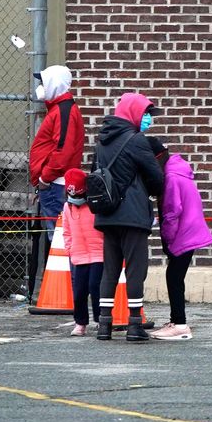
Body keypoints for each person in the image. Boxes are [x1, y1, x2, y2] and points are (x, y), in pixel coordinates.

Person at [91, 92, 164, 342]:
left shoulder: (101, 141)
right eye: (145, 114)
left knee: (109, 270)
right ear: (133, 113)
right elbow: (157, 178)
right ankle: (134, 324)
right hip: (132, 215)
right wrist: (150, 190)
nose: (148, 120)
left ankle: (104, 324)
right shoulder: (136, 140)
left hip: (107, 214)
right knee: (135, 269)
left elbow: (94, 174)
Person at [150, 137, 212, 340]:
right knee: (176, 277)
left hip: (183, 234)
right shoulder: (179, 169)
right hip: (191, 230)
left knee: (174, 278)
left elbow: (171, 213)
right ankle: (176, 320)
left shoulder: (170, 177)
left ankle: (179, 324)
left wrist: (167, 240)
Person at [27, 64, 84, 297]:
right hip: (54, 182)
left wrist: (44, 177)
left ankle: (66, 293)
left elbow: (62, 150)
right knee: (59, 236)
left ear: (54, 83)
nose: (40, 87)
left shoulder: (63, 111)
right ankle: (66, 292)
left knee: (60, 237)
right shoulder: (61, 110)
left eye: (43, 81)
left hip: (55, 183)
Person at [60, 168, 104, 337]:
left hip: (98, 252)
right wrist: (70, 248)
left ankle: (101, 320)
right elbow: (66, 230)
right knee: (79, 291)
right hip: (79, 255)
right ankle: (80, 323)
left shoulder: (96, 203)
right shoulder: (67, 207)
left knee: (95, 286)